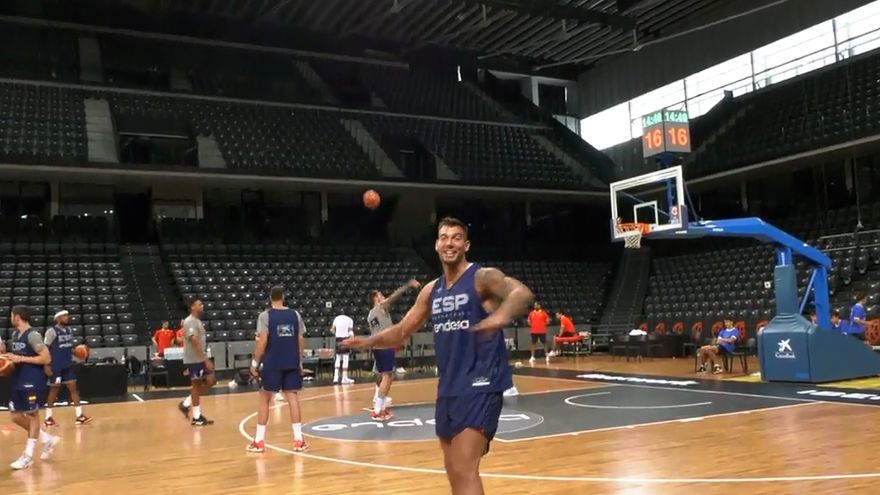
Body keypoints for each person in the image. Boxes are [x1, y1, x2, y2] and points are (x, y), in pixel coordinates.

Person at [345, 217, 534, 494]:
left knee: (464, 468)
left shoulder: (482, 277)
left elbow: (521, 292)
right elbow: (401, 332)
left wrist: (499, 318)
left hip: (481, 384)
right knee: (454, 472)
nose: (450, 242)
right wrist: (367, 341)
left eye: (456, 237)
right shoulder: (431, 291)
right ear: (436, 244)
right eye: (444, 237)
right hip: (449, 388)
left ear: (466, 244)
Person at [246, 286, 308, 453]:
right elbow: (300, 339)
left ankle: (259, 441)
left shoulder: (265, 316)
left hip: (272, 362)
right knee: (292, 397)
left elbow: (262, 341)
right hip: (292, 361)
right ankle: (298, 440)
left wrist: (254, 363)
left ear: (270, 297)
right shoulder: (295, 314)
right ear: (283, 297)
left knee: (264, 398)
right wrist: (300, 359)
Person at [1, 305, 59, 469]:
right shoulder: (15, 334)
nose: (10, 318)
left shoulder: (33, 335)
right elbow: (17, 357)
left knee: (33, 415)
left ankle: (28, 455)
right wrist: (6, 359)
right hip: (17, 380)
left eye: (11, 315)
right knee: (15, 416)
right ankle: (46, 439)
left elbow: (46, 358)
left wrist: (20, 359)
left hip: (32, 379)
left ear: (17, 317)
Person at [366, 278, 421, 421]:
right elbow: (394, 296)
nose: (383, 297)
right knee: (387, 376)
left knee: (385, 376)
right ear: (376, 299)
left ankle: (382, 408)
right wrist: (407, 285)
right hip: (385, 346)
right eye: (380, 296)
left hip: (378, 346)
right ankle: (378, 410)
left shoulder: (371, 314)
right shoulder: (380, 308)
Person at [43, 310, 91, 427]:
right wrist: (46, 365)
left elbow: (68, 347)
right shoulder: (51, 331)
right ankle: (48, 418)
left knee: (74, 389)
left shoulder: (69, 331)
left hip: (67, 365)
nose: (67, 317)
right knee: (54, 391)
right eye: (64, 316)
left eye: (67, 315)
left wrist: (77, 353)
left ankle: (79, 416)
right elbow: (45, 349)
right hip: (56, 366)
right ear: (58, 319)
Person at [177, 300, 215, 426]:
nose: (202, 305)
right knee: (196, 385)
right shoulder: (190, 321)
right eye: (199, 304)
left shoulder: (197, 321)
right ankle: (196, 417)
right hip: (194, 359)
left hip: (199, 358)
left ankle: (186, 403)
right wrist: (205, 359)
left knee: (210, 381)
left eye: (202, 304)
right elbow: (194, 341)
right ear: (192, 307)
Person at [331, 313, 355, 385]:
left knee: (338, 358)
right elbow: (350, 331)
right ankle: (344, 378)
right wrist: (352, 339)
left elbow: (332, 329)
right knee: (345, 358)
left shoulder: (337, 318)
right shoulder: (350, 320)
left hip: (338, 339)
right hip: (345, 338)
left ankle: (335, 377)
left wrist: (336, 334)